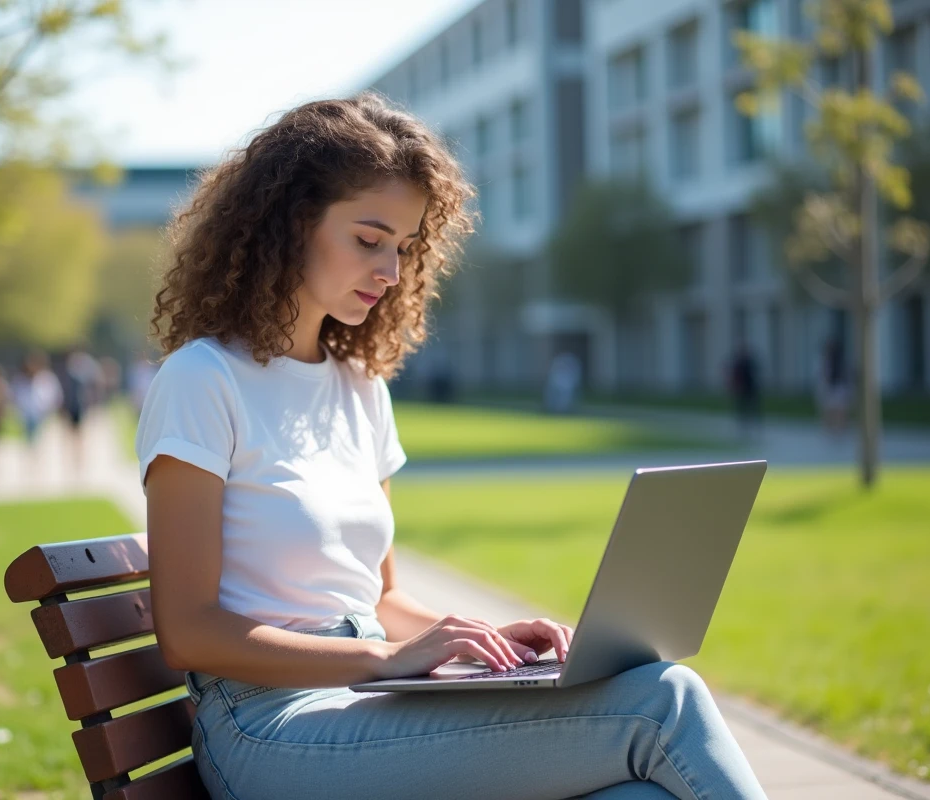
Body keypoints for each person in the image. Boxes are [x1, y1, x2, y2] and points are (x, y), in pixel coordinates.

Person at [135, 93, 766, 800]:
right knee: (664, 701)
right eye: (368, 239)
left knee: (640, 794)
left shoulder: (358, 388)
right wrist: (384, 658)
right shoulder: (202, 379)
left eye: (403, 248)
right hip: (268, 727)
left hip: (369, 707)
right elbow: (187, 633)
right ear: (290, 225)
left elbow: (383, 596)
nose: (392, 273)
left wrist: (490, 642)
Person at [11, 350, 62, 461]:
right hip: (25, 414)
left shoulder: (46, 378)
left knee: (40, 437)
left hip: (41, 414)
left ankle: (37, 459)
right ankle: (29, 458)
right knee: (28, 438)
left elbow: (53, 395)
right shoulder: (21, 379)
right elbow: (15, 395)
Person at [727, 340, 762, 440]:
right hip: (742, 389)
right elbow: (734, 375)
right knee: (742, 409)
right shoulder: (739, 362)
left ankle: (755, 427)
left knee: (753, 408)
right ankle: (743, 428)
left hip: (751, 388)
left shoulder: (750, 361)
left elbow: (755, 373)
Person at [816, 338, 850, 437]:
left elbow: (824, 375)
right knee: (835, 410)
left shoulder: (835, 360)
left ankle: (835, 429)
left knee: (835, 410)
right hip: (836, 387)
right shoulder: (832, 360)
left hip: (836, 387)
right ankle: (835, 430)